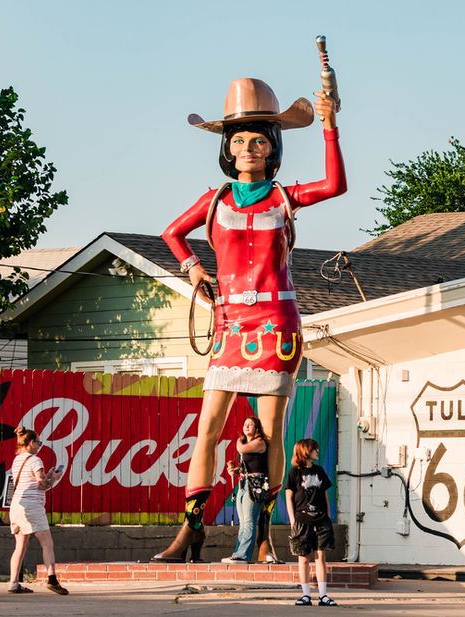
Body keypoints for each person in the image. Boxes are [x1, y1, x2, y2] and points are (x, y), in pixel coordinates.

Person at [154, 76, 345, 562]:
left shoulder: (284, 198)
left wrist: (329, 125)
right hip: (230, 322)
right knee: (209, 429)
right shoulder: (214, 200)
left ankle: (261, 533)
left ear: (272, 146)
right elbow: (172, 232)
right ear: (227, 148)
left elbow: (335, 185)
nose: (248, 148)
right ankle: (190, 530)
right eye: (239, 140)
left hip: (277, 322)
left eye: (259, 139)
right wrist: (194, 269)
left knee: (271, 433)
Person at [6, 426, 68, 595]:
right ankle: (52, 579)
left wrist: (47, 476)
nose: (40, 446)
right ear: (31, 443)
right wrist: (53, 479)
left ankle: (13, 582)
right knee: (47, 543)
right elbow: (41, 485)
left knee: (20, 545)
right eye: (39, 442)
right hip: (32, 505)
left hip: (17, 505)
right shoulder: (35, 460)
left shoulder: (17, 459)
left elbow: (32, 482)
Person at [285, 438, 337, 607]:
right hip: (302, 520)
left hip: (321, 520)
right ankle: (306, 595)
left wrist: (328, 516)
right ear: (306, 451)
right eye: (315, 449)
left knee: (321, 556)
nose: (317, 452)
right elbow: (289, 496)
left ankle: (323, 596)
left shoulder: (320, 471)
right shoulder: (294, 472)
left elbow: (325, 495)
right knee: (304, 558)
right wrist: (293, 520)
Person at [221, 416, 269, 563]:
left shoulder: (259, 442)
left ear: (257, 428)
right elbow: (246, 466)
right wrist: (235, 471)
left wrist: (238, 440)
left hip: (255, 484)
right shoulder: (246, 443)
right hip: (243, 484)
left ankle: (243, 555)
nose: (246, 426)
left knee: (249, 521)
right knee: (243, 522)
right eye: (245, 424)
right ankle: (238, 553)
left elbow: (240, 448)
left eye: (250, 424)